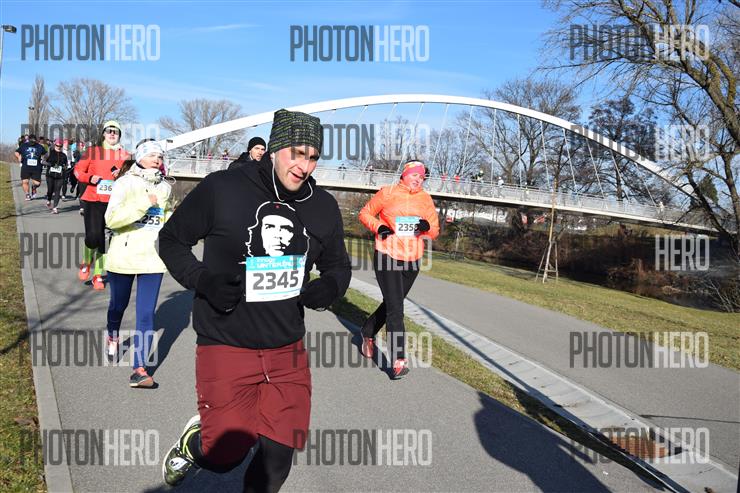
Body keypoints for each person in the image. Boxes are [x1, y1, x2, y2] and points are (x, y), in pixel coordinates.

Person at [158, 109, 351, 490]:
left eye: (313, 157)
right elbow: (172, 240)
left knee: (278, 458)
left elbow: (338, 266)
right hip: (226, 341)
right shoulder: (223, 188)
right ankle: (194, 444)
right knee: (224, 455)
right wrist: (204, 281)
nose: (304, 167)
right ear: (275, 148)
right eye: (297, 153)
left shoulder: (323, 206)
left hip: (287, 348)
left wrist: (330, 287)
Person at [358, 159, 439, 379]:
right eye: (415, 175)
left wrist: (426, 228)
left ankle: (367, 331)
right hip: (387, 254)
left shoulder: (425, 199)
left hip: (412, 259)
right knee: (396, 309)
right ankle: (398, 359)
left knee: (392, 303)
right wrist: (379, 226)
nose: (418, 179)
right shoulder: (387, 192)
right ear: (405, 174)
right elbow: (365, 213)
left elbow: (434, 230)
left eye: (422, 177)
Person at [104, 140, 173, 388]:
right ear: (139, 157)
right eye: (152, 155)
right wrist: (144, 203)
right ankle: (113, 334)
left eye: (160, 156)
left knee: (145, 315)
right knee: (118, 306)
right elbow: (111, 219)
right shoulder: (124, 183)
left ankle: (139, 369)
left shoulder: (165, 188)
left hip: (152, 259)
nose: (157, 159)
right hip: (123, 257)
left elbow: (165, 218)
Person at [74, 121, 130, 290]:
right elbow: (78, 171)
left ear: (119, 136)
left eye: (116, 132)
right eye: (109, 131)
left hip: (115, 202)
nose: (112, 134)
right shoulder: (93, 152)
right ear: (104, 134)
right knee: (93, 236)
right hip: (94, 199)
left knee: (104, 240)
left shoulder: (126, 156)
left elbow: (132, 176)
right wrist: (89, 178)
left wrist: (122, 174)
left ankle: (98, 275)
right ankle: (86, 261)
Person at [15, 134, 47, 200]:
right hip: (26, 167)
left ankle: (34, 187)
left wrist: (44, 158)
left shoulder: (39, 146)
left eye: (34, 140)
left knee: (37, 183)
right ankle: (27, 194)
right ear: (29, 140)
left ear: (36, 140)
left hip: (36, 168)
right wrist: (18, 156)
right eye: (31, 140)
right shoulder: (24, 145)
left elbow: (46, 154)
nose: (33, 142)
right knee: (25, 181)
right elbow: (16, 152)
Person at [45, 139, 68, 214]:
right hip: (50, 175)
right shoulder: (49, 153)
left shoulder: (63, 155)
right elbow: (43, 161)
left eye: (60, 146)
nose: (58, 147)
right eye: (57, 146)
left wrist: (64, 167)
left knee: (57, 191)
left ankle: (55, 207)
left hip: (60, 176)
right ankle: (49, 199)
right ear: (55, 145)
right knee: (50, 190)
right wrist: (50, 164)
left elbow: (66, 165)